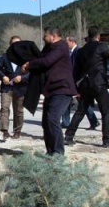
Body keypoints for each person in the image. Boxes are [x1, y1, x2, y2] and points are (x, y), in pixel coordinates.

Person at [64, 26, 109, 149]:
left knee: (80, 111)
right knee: (105, 111)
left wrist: (75, 87)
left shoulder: (81, 51)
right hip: (99, 84)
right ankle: (107, 139)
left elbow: (76, 70)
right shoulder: (102, 47)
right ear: (98, 36)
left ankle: (68, 136)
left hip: (85, 84)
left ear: (88, 36)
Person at [20, 27, 76, 156]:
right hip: (51, 90)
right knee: (46, 122)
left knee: (52, 119)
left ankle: (58, 152)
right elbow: (40, 58)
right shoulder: (50, 48)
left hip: (62, 89)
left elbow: (46, 61)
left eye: (45, 36)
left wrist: (29, 64)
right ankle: (50, 151)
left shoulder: (61, 47)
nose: (43, 38)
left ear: (53, 36)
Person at [0, 35, 28, 140]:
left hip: (20, 88)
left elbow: (31, 72)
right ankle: (5, 131)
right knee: (4, 108)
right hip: (6, 87)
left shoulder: (26, 58)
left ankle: (17, 130)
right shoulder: (5, 56)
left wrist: (22, 78)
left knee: (18, 110)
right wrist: (2, 76)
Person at [62, 36, 99, 130]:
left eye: (66, 42)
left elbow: (77, 68)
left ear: (72, 41)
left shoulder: (78, 51)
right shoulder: (70, 52)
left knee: (82, 103)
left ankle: (94, 121)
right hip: (70, 81)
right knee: (68, 101)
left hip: (76, 82)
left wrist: (77, 82)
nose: (65, 44)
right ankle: (66, 122)